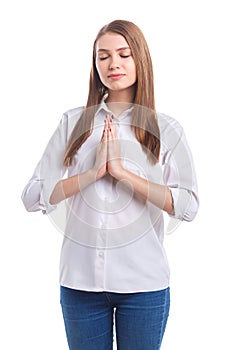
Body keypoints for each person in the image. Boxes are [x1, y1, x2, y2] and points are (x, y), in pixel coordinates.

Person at [21, 19, 199, 350]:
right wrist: (90, 174)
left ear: (139, 60)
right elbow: (32, 196)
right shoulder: (73, 123)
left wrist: (124, 174)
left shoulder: (166, 129)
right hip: (79, 285)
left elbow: (188, 206)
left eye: (123, 54)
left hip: (144, 286)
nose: (113, 64)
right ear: (95, 64)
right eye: (103, 56)